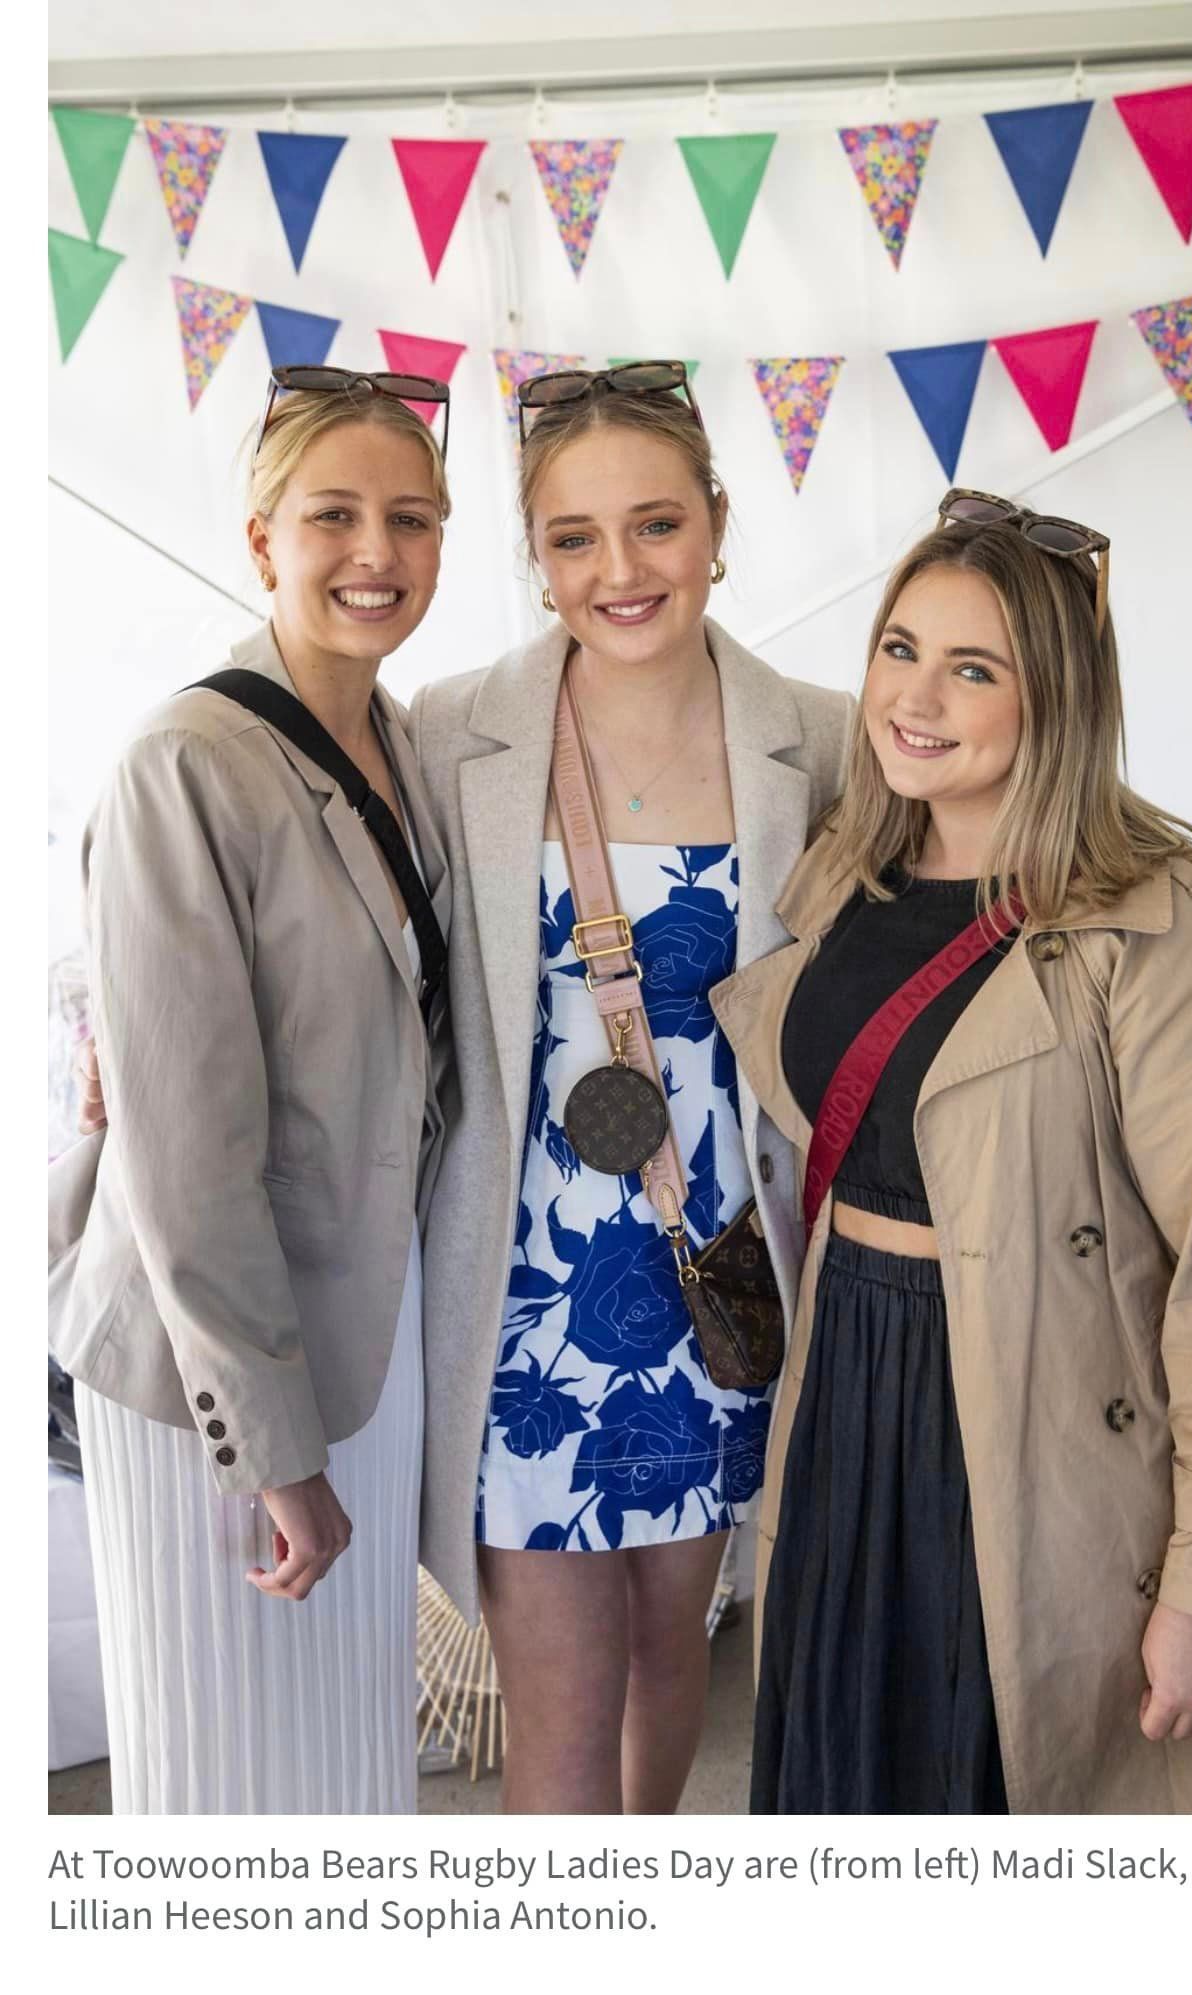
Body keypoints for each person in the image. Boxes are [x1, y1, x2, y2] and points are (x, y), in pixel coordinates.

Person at [709, 490, 1192, 1815]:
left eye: (972, 668)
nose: (916, 698)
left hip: (1034, 1417)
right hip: (844, 1389)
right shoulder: (849, 868)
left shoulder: (1150, 922)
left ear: (1051, 697)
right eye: (899, 648)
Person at [411, 366, 853, 1812]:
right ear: (534, 557)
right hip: (523, 1291)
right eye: (573, 537)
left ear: (717, 525)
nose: (618, 570)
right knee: (558, 1692)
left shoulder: (829, 740)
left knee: (675, 1654)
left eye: (654, 524)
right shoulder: (451, 735)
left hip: (721, 1268)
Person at [48, 367, 454, 1814]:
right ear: (260, 538)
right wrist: (274, 1455)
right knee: (222, 1777)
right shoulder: (185, 762)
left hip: (367, 1330)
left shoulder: (402, 743)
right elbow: (182, 1158)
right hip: (207, 1378)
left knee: (348, 1763)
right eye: (333, 514)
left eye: (411, 518)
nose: (376, 553)